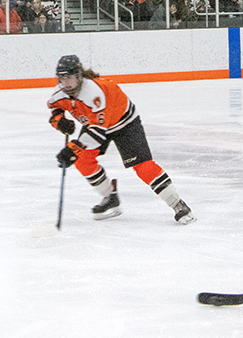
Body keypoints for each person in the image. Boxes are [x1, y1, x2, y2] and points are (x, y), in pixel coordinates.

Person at [46, 54, 194, 223]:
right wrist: (59, 122)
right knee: (82, 160)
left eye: (70, 78)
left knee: (143, 166)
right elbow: (54, 109)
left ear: (79, 76)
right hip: (97, 123)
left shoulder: (94, 93)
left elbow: (97, 134)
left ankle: (177, 204)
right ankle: (110, 197)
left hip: (124, 123)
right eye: (62, 79)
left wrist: (73, 148)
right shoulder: (59, 93)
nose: (66, 83)